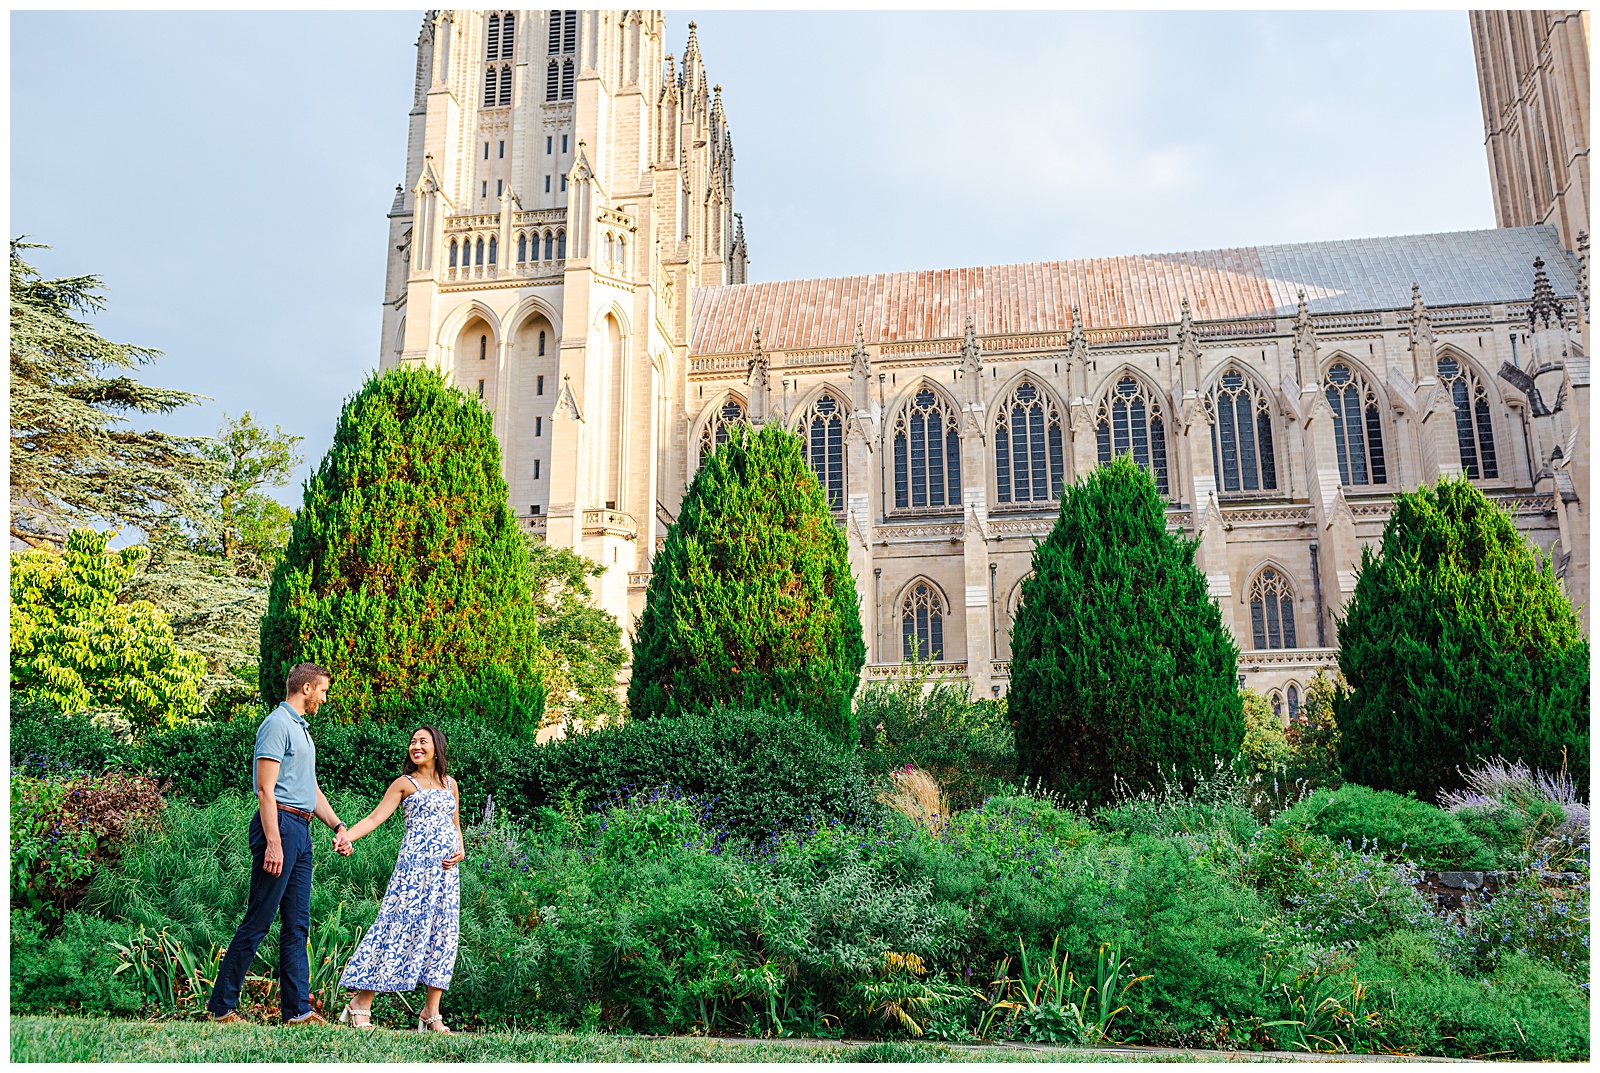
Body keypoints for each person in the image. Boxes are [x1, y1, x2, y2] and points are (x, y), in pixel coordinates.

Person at [206, 662, 351, 1025]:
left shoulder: (302, 731)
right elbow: (265, 789)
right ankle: (221, 1007)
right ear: (306, 688)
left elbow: (309, 789)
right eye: (323, 691)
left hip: (300, 830)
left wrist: (336, 825)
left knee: (297, 923)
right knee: (259, 919)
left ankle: (297, 1010)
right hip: (281, 826)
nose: (324, 698)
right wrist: (273, 842)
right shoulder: (276, 724)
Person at [334, 725, 464, 1033]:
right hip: (414, 872)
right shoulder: (405, 784)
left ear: (437, 748)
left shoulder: (450, 784)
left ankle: (431, 1012)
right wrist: (346, 837)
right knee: (396, 928)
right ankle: (360, 1004)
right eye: (413, 742)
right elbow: (374, 818)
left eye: (423, 741)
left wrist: (461, 848)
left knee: (443, 934)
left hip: (446, 875)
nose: (416, 746)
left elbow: (455, 824)